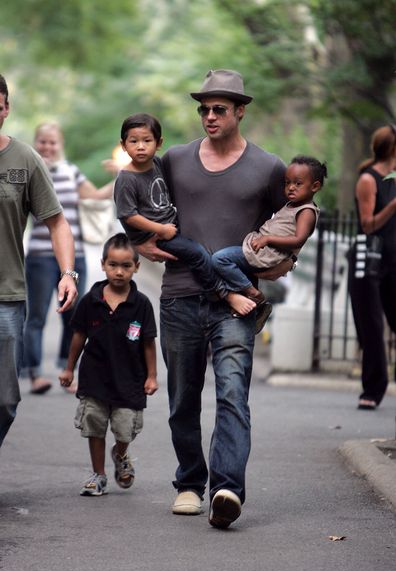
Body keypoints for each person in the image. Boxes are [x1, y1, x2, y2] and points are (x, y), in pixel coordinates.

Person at [135, 69, 292, 528]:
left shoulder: (270, 167)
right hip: (180, 296)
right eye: (203, 108)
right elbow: (140, 216)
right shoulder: (175, 160)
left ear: (241, 110)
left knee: (232, 395)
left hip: (236, 303)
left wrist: (283, 264)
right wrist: (145, 247)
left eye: (219, 108)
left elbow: (289, 229)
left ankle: (227, 489)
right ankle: (189, 482)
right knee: (183, 398)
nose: (209, 115)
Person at [0, 74, 78, 448]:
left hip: (7, 294)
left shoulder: (25, 158)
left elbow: (57, 221)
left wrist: (68, 272)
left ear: (6, 109)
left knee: (5, 400)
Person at [114, 112, 255, 317]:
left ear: (159, 142)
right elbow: (128, 215)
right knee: (197, 254)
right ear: (124, 145)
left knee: (204, 247)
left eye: (147, 140)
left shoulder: (157, 164)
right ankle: (226, 293)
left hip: (170, 226)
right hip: (154, 235)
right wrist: (160, 229)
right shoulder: (127, 178)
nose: (141, 146)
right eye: (133, 141)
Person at [59, 233, 158, 496]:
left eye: (126, 266)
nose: (119, 272)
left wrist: (152, 376)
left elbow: (149, 342)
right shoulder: (91, 301)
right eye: (113, 265)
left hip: (130, 380)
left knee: (125, 429)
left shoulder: (142, 305)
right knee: (95, 424)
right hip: (95, 378)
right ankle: (98, 474)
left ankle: (121, 453)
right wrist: (69, 368)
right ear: (103, 264)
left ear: (137, 267)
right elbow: (78, 335)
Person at [23, 122, 115, 395]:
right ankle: (36, 374)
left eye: (52, 142)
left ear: (60, 144)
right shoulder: (29, 171)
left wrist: (123, 175)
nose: (47, 147)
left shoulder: (71, 172)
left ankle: (67, 370)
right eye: (42, 141)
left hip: (73, 261)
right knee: (36, 316)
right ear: (36, 142)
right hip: (40, 258)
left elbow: (96, 195)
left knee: (73, 315)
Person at [212, 155, 324, 304]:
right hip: (263, 250)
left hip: (268, 254)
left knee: (220, 259)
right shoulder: (292, 204)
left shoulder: (306, 211)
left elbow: (299, 239)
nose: (291, 187)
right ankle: (238, 298)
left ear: (315, 186)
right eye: (287, 183)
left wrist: (267, 238)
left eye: (298, 183)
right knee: (223, 262)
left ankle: (251, 292)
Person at [348, 125, 396, 410]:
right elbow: (368, 225)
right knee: (372, 326)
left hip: (394, 258)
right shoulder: (368, 179)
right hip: (369, 260)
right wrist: (392, 206)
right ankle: (373, 389)